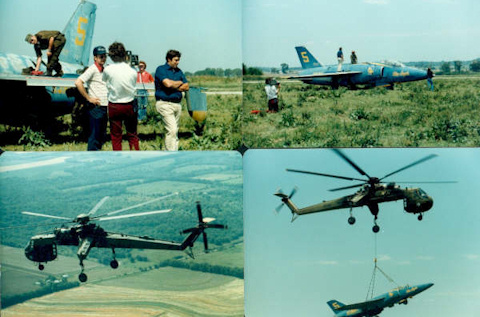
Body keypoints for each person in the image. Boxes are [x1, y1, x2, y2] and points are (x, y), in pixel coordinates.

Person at [102, 42, 139, 151]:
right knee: (132, 133)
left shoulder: (108, 69)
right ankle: (136, 153)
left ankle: (118, 156)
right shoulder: (132, 71)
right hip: (129, 104)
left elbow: (104, 81)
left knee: (116, 135)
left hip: (115, 104)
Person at [74, 46, 109, 151]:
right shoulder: (92, 69)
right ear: (95, 58)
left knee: (101, 134)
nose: (103, 58)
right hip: (95, 107)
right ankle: (91, 158)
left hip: (104, 106)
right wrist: (88, 98)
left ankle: (97, 157)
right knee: (94, 135)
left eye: (104, 56)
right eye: (101, 56)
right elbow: (78, 82)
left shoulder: (104, 70)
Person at [154, 49, 189, 151]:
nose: (177, 62)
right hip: (165, 104)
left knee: (175, 131)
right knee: (172, 130)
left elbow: (186, 86)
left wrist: (173, 85)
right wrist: (178, 83)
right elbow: (167, 84)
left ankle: (174, 151)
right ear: (169, 59)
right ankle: (170, 153)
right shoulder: (161, 70)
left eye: (178, 60)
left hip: (177, 104)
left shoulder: (179, 71)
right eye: (176, 60)